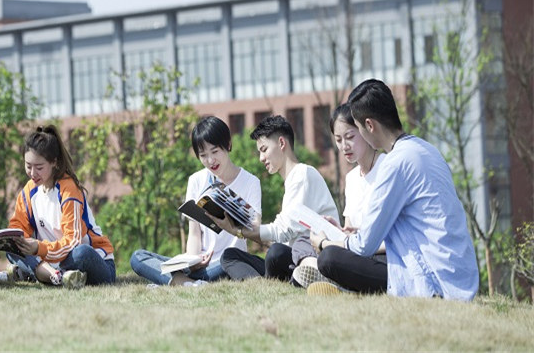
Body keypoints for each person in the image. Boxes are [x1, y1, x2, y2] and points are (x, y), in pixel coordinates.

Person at [311, 79, 479, 300]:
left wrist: (324, 242)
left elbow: (364, 245)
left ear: (370, 125)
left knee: (329, 258)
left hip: (435, 282)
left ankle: (344, 287)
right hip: (461, 275)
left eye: (358, 129)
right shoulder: (427, 150)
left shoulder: (395, 163)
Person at [129, 116, 262, 286]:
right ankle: (189, 283)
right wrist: (193, 262)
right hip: (200, 265)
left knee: (228, 261)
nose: (210, 161)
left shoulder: (250, 182)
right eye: (203, 155)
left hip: (226, 263)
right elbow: (194, 233)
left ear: (228, 145)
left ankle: (179, 283)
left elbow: (256, 229)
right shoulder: (196, 180)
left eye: (215, 152)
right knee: (138, 257)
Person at [218, 115, 338, 282]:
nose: (261, 158)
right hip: (292, 258)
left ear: (281, 143)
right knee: (229, 255)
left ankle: (268, 282)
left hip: (312, 257)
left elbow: (283, 230)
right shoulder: (292, 180)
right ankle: (260, 284)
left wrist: (238, 230)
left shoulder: (302, 174)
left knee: (275, 253)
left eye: (264, 149)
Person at [292, 103, 388, 294]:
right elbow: (350, 230)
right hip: (355, 249)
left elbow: (391, 238)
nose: (344, 146)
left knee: (329, 256)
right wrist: (337, 230)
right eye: (338, 140)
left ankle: (324, 274)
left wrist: (341, 243)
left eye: (350, 137)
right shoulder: (351, 179)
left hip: (381, 255)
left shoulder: (387, 169)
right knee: (302, 241)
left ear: (365, 130)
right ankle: (319, 273)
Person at [7, 125, 115, 289]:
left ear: (54, 163)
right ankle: (57, 276)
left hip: (93, 261)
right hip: (53, 260)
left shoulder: (68, 189)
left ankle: (40, 274)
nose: (33, 173)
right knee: (12, 249)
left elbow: (73, 242)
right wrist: (15, 240)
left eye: (39, 167)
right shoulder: (28, 191)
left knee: (82, 252)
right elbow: (18, 226)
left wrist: (38, 247)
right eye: (28, 166)